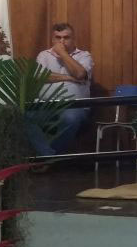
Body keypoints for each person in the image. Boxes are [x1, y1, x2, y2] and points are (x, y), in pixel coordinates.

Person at [32, 23, 94, 155]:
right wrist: (69, 77)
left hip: (74, 107)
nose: (62, 41)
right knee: (23, 116)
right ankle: (48, 154)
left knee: (70, 118)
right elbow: (40, 76)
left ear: (73, 39)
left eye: (66, 37)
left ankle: (46, 157)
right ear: (52, 39)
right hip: (45, 107)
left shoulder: (84, 56)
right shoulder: (44, 55)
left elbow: (80, 74)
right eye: (58, 37)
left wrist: (62, 53)